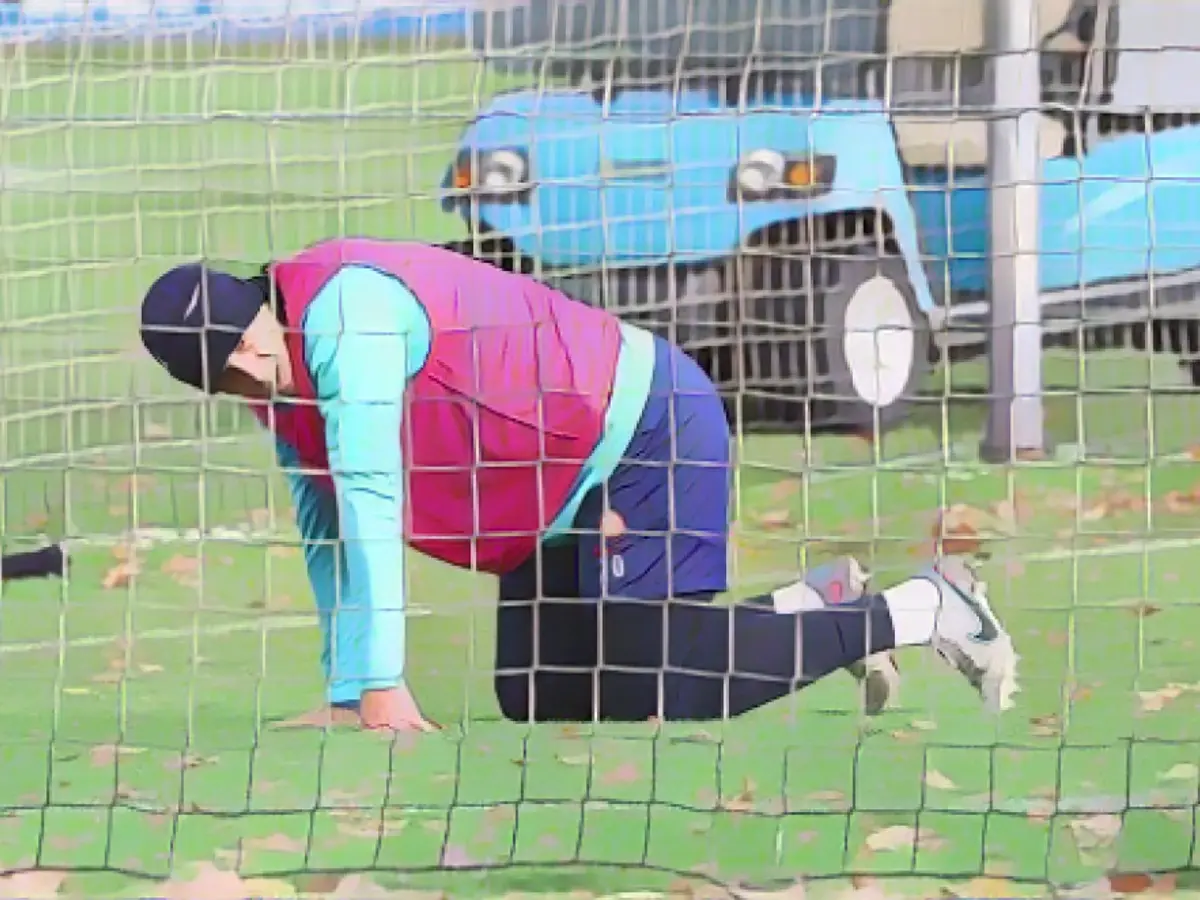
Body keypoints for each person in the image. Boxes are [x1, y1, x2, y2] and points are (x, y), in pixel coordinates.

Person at [138, 238, 1019, 731]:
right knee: (539, 696)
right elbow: (325, 524)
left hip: (642, 430)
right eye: (233, 373)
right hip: (553, 494)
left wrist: (383, 684)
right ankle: (812, 603)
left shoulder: (344, 319)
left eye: (252, 343)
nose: (255, 369)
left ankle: (924, 607)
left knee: (662, 680)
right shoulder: (277, 391)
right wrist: (344, 692)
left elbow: (370, 496)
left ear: (260, 310)